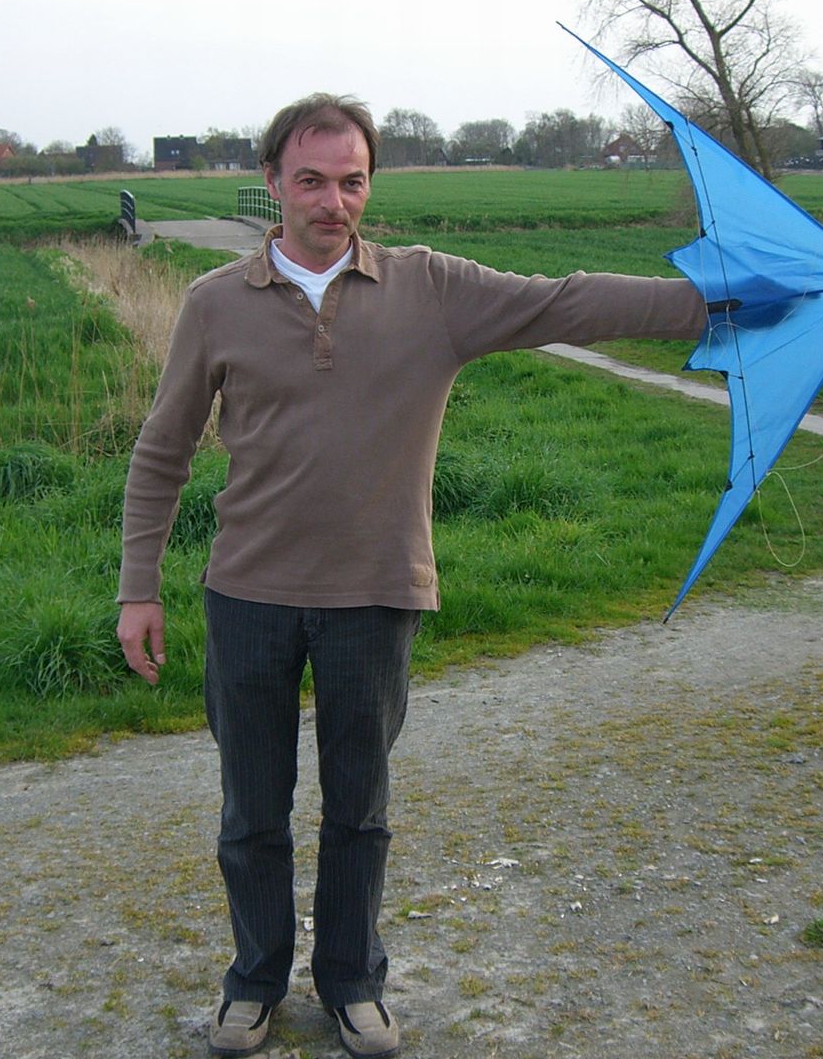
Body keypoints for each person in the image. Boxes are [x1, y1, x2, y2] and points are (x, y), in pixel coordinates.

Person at [116, 93, 706, 1058]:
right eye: (311, 181)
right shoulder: (215, 303)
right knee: (251, 814)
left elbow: (569, 301)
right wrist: (139, 588)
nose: (333, 202)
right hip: (250, 595)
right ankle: (253, 984)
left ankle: (353, 983)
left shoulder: (431, 289)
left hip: (377, 596)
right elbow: (162, 449)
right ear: (272, 184)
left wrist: (718, 299)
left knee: (359, 810)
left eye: (352, 181)